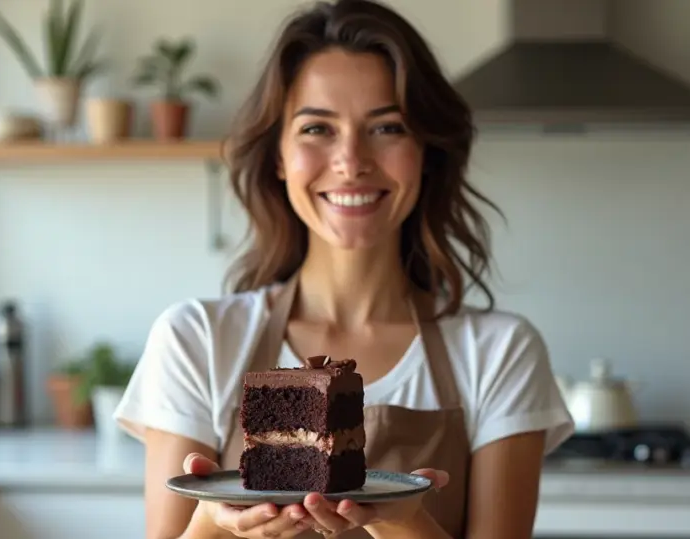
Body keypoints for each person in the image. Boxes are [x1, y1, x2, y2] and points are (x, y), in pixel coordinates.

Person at [113, 1, 574, 538]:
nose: (351, 160)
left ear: (427, 151)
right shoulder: (197, 340)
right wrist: (215, 523)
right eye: (317, 128)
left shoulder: (499, 353)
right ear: (279, 156)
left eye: (388, 127)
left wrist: (407, 521)